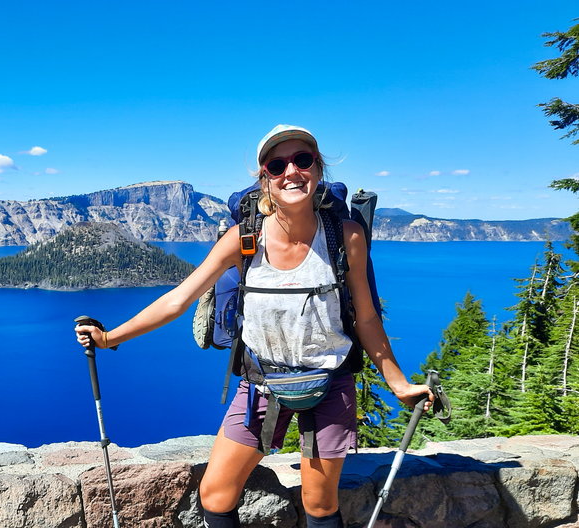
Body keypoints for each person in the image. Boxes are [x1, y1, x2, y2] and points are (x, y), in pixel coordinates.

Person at [75, 124, 434, 528]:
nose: (291, 171)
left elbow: (366, 317)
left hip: (330, 381)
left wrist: (400, 384)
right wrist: (109, 338)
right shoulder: (244, 237)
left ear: (318, 168)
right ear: (265, 176)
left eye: (303, 160)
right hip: (260, 383)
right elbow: (178, 300)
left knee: (319, 504)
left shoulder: (345, 236)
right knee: (215, 494)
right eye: (278, 164)